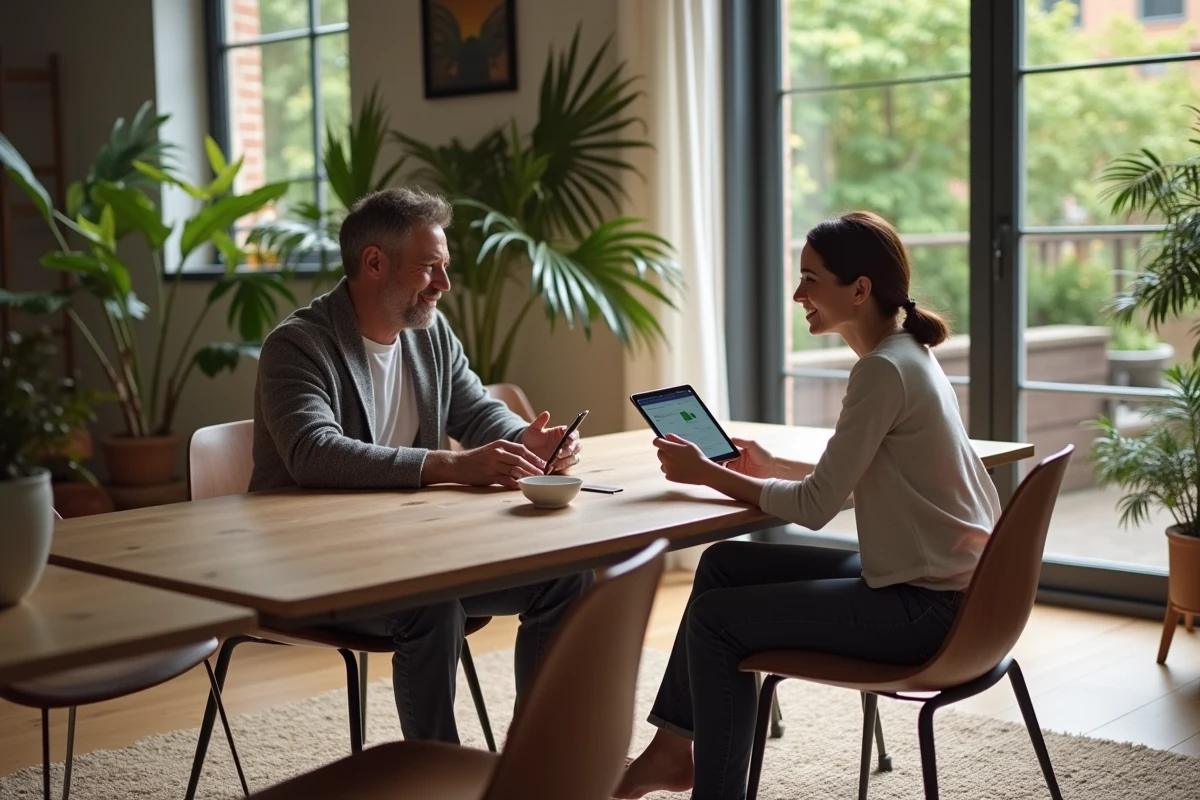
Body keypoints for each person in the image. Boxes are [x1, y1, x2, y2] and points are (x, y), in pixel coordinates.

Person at [614, 211, 1001, 800]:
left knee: (717, 625)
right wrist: (770, 467)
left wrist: (708, 475)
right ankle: (672, 751)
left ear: (860, 290)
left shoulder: (881, 370)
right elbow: (850, 482)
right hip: (948, 594)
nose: (797, 294)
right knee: (723, 565)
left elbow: (818, 506)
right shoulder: (907, 356)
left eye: (810, 280)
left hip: (927, 613)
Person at [250, 187, 591, 745]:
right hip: (315, 567)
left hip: (416, 554)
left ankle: (536, 758)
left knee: (566, 574)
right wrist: (451, 466)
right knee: (432, 602)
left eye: (445, 267)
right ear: (375, 263)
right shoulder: (298, 345)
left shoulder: (428, 334)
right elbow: (313, 453)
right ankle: (438, 775)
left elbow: (477, 411)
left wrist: (527, 441)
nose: (444, 284)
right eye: (431, 267)